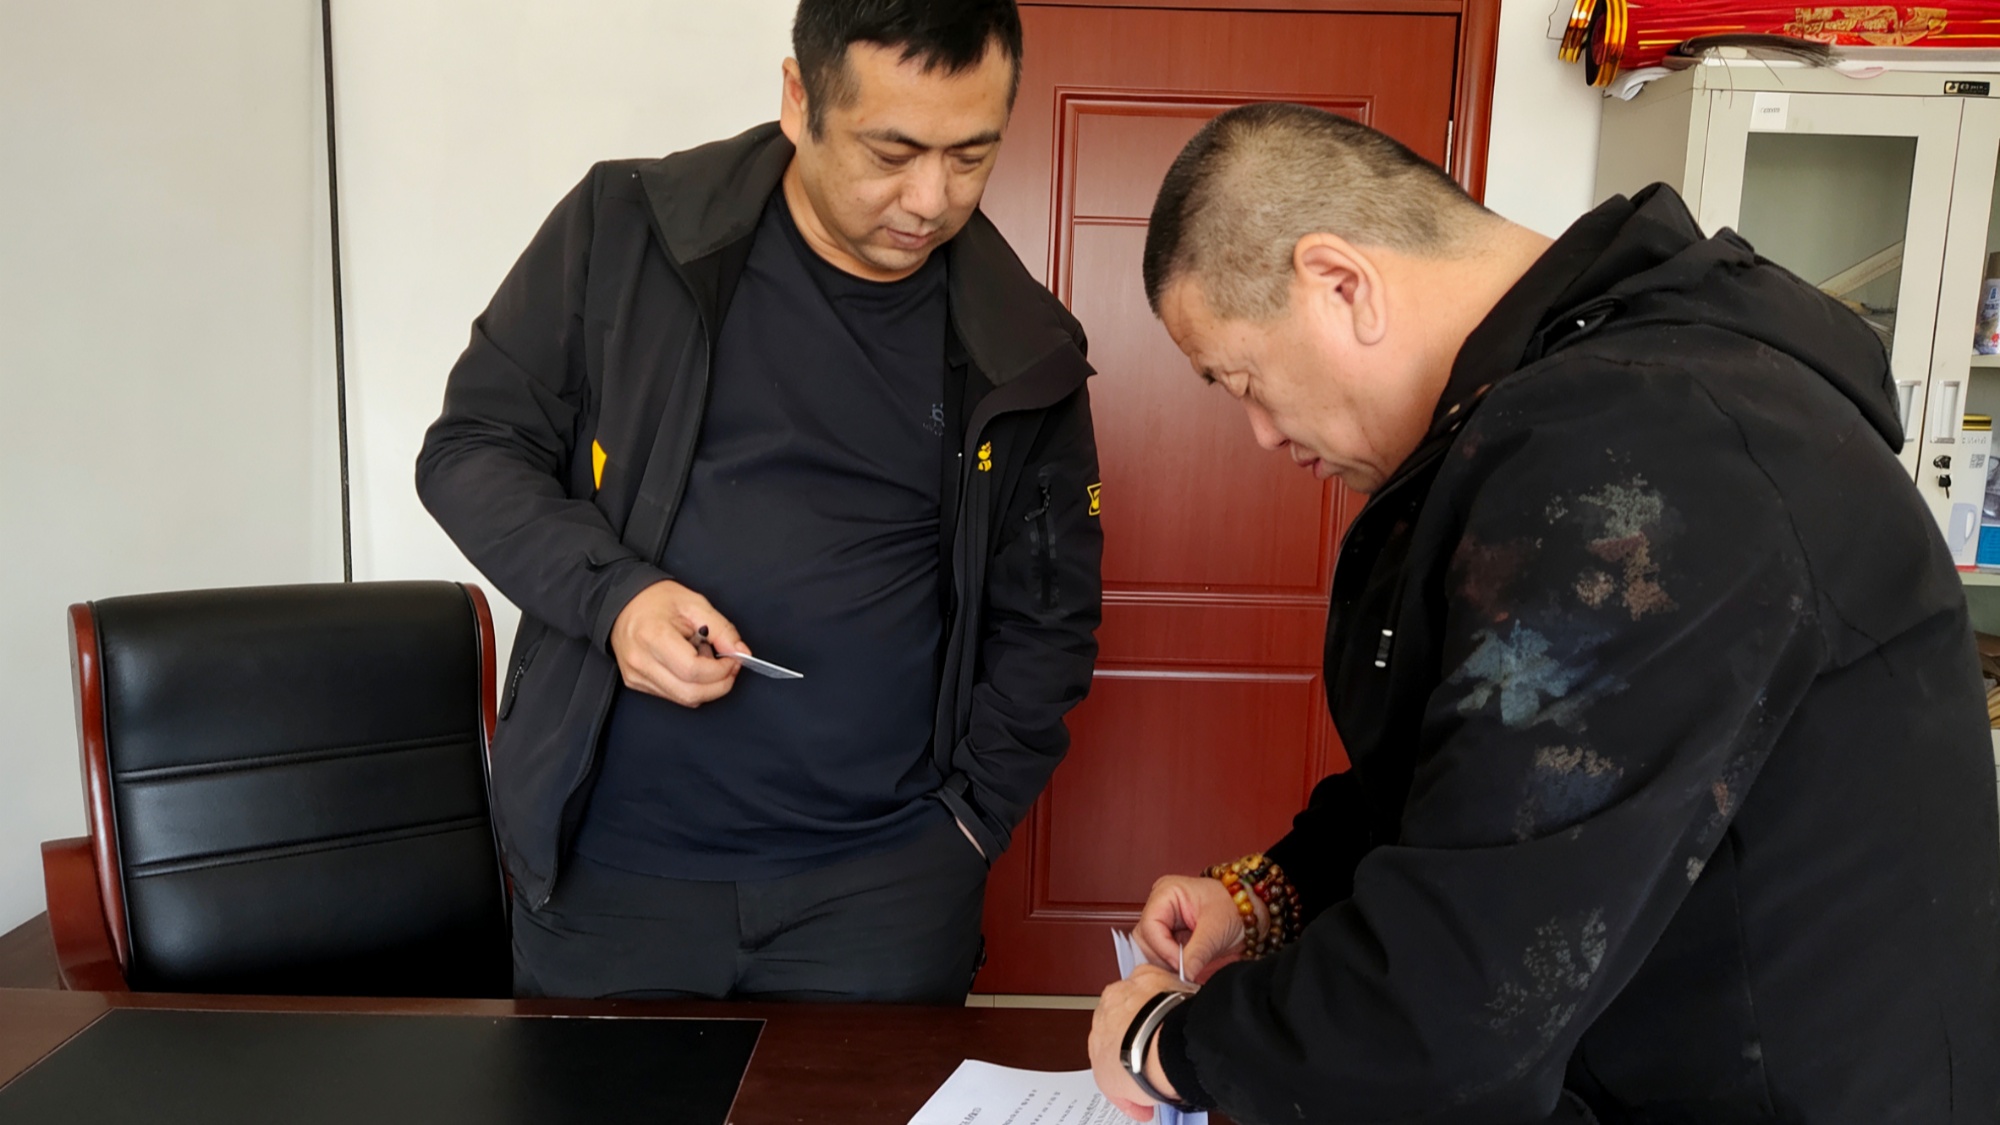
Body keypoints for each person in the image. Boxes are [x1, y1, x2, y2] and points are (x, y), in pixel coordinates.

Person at [1089, 102, 2000, 1123]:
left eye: (1241, 380)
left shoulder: (1647, 451)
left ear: (1340, 283)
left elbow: (1457, 1004)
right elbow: (1490, 770)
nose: (1259, 433)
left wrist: (1168, 1043)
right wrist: (1271, 890)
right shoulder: (1580, 403)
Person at [416, 0, 1102, 1004]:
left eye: (971, 156)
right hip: (613, 873)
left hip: (885, 895)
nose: (929, 199)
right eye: (892, 151)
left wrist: (966, 826)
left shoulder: (1026, 348)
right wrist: (615, 598)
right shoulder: (626, 232)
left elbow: (1050, 618)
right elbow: (471, 448)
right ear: (798, 98)